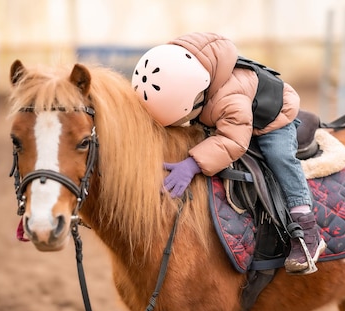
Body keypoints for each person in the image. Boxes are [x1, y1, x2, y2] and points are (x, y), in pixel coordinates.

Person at [132, 32, 326, 275]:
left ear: (194, 101)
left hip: (273, 118)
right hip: (235, 110)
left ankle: (307, 228)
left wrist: (193, 164)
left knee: (278, 156)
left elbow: (233, 140)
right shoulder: (181, 63)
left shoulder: (229, 101)